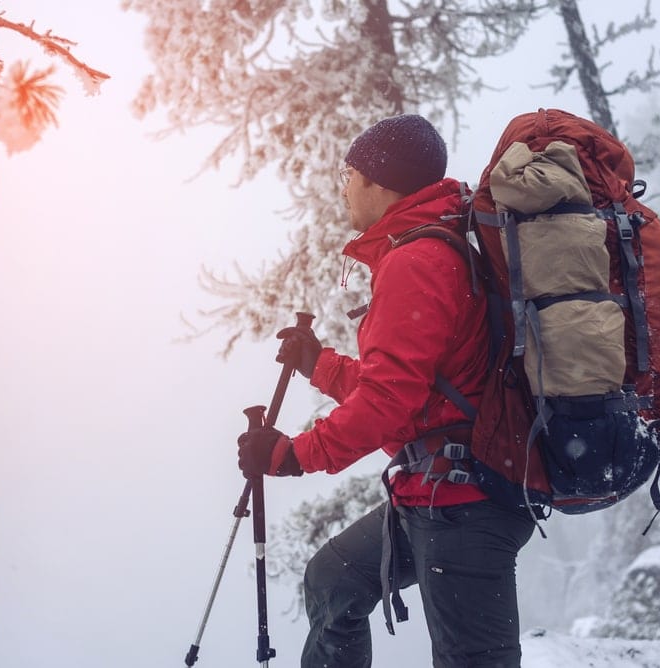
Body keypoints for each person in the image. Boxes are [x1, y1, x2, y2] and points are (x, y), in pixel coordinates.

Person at [237, 114, 535, 668]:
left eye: (348, 175)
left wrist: (294, 455)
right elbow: (409, 388)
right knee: (333, 581)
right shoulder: (430, 248)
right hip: (438, 491)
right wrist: (320, 365)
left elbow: (387, 402)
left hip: (464, 504)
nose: (344, 187)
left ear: (380, 181)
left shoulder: (416, 261)